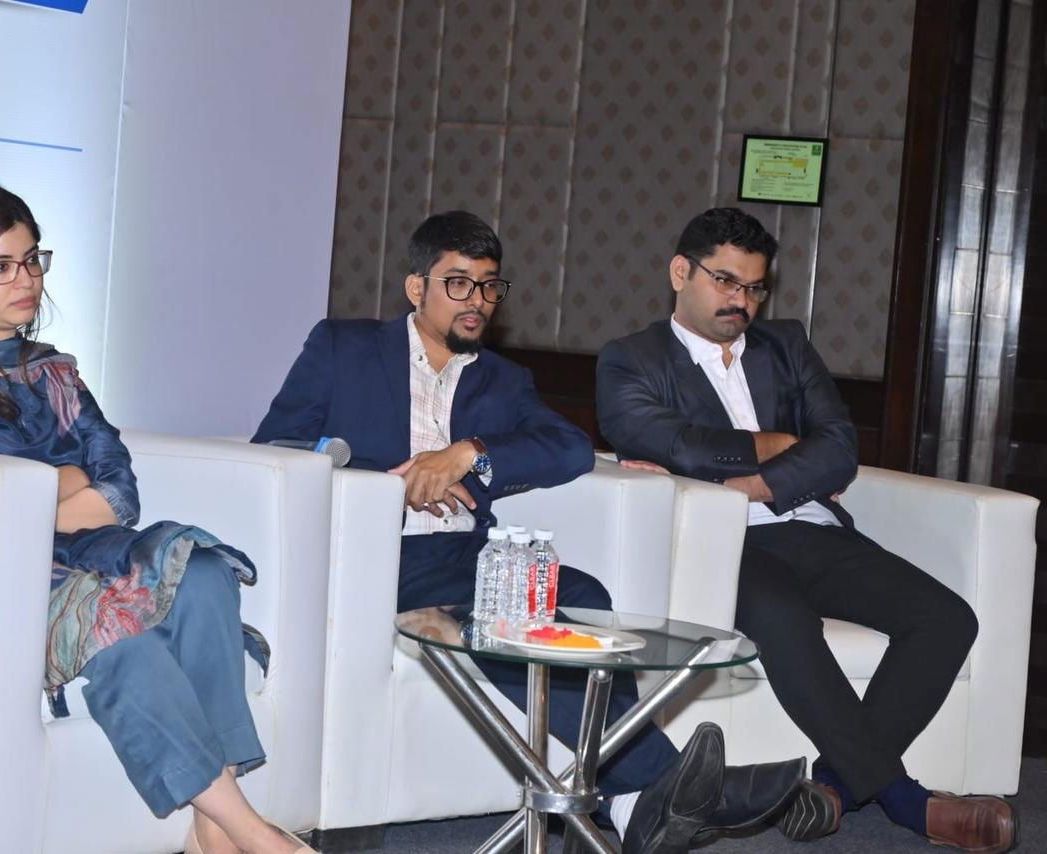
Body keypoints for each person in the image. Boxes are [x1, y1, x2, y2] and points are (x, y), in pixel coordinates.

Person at [253, 210, 805, 854]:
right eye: (458, 283)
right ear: (416, 287)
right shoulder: (343, 347)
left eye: (489, 286)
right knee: (507, 616)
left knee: (585, 595)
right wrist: (383, 484)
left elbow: (567, 446)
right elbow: (279, 445)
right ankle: (664, 791)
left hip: (467, 551)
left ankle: (632, 805)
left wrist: (469, 453)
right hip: (377, 551)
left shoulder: (502, 378)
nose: (477, 301)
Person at [0, 183, 311, 854]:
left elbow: (119, 492)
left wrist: (30, 479)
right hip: (1, 579)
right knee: (124, 634)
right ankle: (250, 833)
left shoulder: (54, 371)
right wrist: (65, 479)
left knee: (205, 574)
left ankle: (210, 831)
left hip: (89, 550)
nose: (25, 280)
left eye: (30, 260)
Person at [595, 206, 1017, 852]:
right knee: (785, 618)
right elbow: (667, 442)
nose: (741, 301)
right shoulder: (630, 360)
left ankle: (833, 789)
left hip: (811, 527)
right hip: (725, 541)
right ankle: (907, 801)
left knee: (946, 617)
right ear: (681, 272)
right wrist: (783, 445)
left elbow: (839, 448)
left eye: (754, 287)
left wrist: (751, 482)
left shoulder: (786, 345)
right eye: (725, 281)